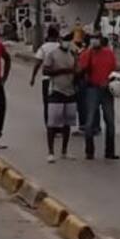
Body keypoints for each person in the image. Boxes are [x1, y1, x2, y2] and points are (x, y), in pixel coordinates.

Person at [78, 31, 119, 160]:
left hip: (107, 90)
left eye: (97, 38)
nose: (95, 41)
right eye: (93, 39)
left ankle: (110, 151)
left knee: (110, 121)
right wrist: (88, 53)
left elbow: (114, 69)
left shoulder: (109, 53)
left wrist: (108, 81)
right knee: (90, 121)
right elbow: (80, 70)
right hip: (92, 89)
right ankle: (89, 151)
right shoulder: (87, 54)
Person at [41, 32, 79, 162]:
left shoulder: (72, 54)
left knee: (67, 123)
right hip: (56, 90)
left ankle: (64, 151)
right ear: (59, 40)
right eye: (65, 39)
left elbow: (76, 71)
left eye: (69, 39)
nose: (67, 42)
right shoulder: (52, 54)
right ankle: (50, 152)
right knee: (53, 123)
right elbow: (45, 71)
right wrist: (62, 71)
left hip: (70, 91)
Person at [30, 24, 61, 128]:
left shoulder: (43, 48)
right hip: (61, 79)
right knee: (60, 102)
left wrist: (33, 78)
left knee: (48, 103)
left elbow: (37, 63)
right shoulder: (61, 47)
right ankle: (59, 125)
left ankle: (49, 125)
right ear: (57, 36)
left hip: (47, 80)